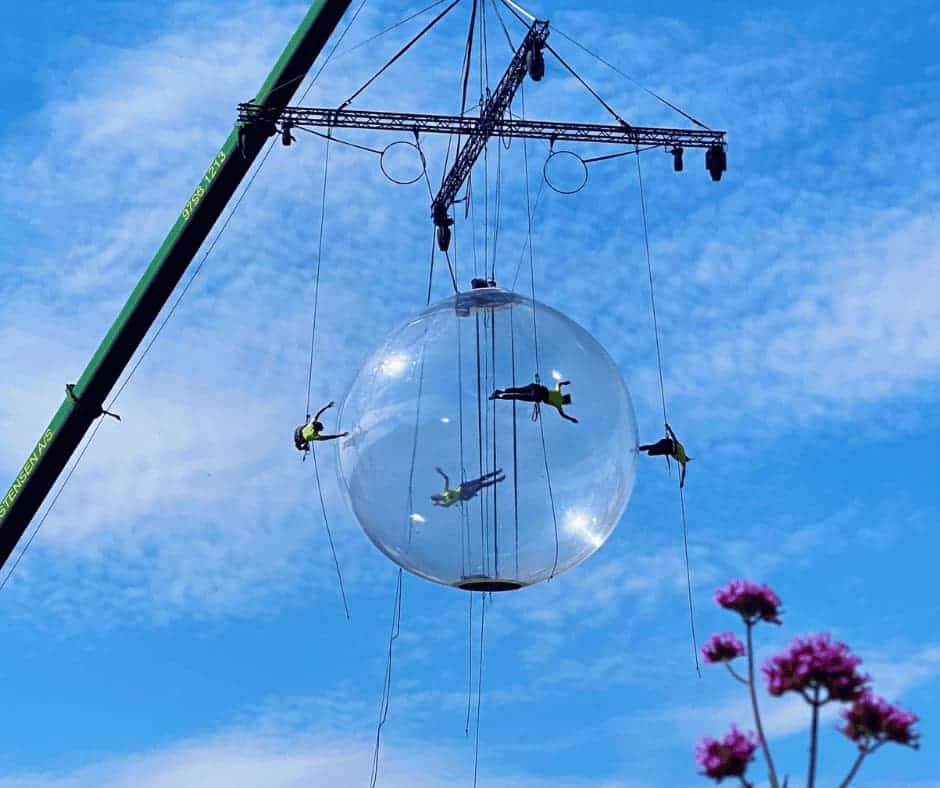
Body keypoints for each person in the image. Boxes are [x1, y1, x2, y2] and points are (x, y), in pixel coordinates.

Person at [489, 380, 578, 423]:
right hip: (536, 395)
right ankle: (498, 396)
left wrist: (565, 383)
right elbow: (563, 415)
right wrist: (571, 419)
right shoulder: (558, 404)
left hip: (535, 388)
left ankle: (499, 392)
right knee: (516, 395)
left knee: (517, 390)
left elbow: (559, 384)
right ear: (564, 401)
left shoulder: (558, 394)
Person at [638, 423, 691, 488]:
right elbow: (683, 471)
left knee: (651, 449)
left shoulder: (681, 449)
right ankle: (638, 449)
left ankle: (638, 448)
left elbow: (674, 438)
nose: (684, 463)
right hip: (667, 447)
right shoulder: (683, 459)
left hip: (666, 443)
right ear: (685, 458)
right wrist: (682, 481)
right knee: (651, 450)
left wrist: (669, 428)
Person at [431, 467, 505, 507]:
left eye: (437, 495)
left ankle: (497, 472)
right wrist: (439, 504)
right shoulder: (446, 502)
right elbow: (446, 505)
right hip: (465, 494)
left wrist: (441, 472)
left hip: (463, 488)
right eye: (437, 497)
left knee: (481, 480)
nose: (438, 495)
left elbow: (447, 479)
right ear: (438, 499)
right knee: (482, 485)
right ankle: (498, 480)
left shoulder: (445, 492)